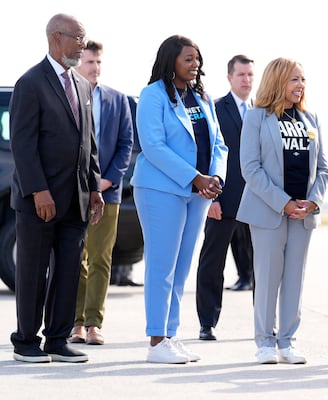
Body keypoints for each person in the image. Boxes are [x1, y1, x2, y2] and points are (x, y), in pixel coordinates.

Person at [9, 13, 104, 363]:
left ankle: (58, 339)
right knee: (33, 272)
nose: (83, 44)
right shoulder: (30, 83)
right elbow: (23, 144)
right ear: (56, 38)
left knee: (67, 271)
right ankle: (25, 341)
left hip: (76, 198)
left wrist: (94, 189)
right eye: (78, 38)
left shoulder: (81, 84)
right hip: (40, 200)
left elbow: (88, 142)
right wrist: (38, 191)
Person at [132, 35, 228, 364]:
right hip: (162, 189)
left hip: (198, 193)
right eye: (188, 58)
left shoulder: (202, 97)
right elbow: (153, 146)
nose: (195, 64)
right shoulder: (153, 95)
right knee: (162, 266)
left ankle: (171, 336)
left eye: (197, 58)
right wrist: (194, 177)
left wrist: (215, 177)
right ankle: (156, 340)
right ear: (171, 59)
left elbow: (219, 144)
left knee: (182, 267)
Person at [236, 57, 328, 364]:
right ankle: (264, 341)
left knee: (294, 279)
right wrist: (283, 202)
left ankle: (287, 342)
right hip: (268, 212)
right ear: (278, 81)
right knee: (267, 278)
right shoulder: (256, 117)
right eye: (294, 80)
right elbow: (251, 168)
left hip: (303, 215)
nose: (300, 86)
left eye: (303, 80)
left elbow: (324, 169)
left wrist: (312, 201)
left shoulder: (310, 118)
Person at [66, 40, 134, 346]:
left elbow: (125, 146)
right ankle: (76, 323)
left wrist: (105, 183)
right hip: (74, 192)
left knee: (101, 259)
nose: (95, 68)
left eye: (98, 62)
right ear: (78, 64)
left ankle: (94, 323)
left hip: (108, 193)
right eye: (89, 62)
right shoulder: (68, 97)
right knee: (74, 258)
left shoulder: (117, 100)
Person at [196, 55, 255, 342]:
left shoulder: (263, 110)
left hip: (257, 200)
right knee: (212, 262)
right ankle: (207, 322)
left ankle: (264, 323)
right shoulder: (216, 109)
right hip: (223, 198)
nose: (246, 80)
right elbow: (207, 153)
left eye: (250, 75)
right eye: (241, 74)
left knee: (263, 266)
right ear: (230, 77)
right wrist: (210, 199)